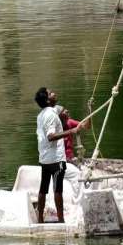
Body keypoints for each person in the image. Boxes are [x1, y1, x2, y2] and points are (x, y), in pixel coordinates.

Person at [34, 87, 82, 224]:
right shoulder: (50, 115)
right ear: (48, 100)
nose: (54, 93)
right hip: (55, 158)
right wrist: (71, 131)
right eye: (51, 93)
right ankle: (61, 221)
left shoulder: (42, 114)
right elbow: (51, 136)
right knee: (58, 190)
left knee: (43, 188)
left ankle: (40, 220)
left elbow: (59, 109)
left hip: (44, 158)